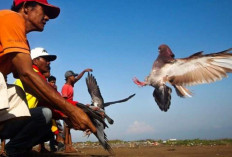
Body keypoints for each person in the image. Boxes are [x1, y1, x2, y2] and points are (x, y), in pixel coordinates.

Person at [0, 0, 96, 156]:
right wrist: (71, 110)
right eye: (44, 11)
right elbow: (27, 74)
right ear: (25, 8)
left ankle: (15, 149)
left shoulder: (21, 39)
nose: (47, 18)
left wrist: (65, 114)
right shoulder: (11, 18)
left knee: (30, 104)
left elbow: (29, 84)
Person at [62, 69, 92, 153]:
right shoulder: (65, 87)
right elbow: (64, 101)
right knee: (67, 128)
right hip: (68, 107)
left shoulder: (71, 84)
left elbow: (78, 78)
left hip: (71, 106)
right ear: (69, 77)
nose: (75, 77)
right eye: (73, 76)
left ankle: (70, 146)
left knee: (69, 128)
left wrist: (84, 71)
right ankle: (67, 147)